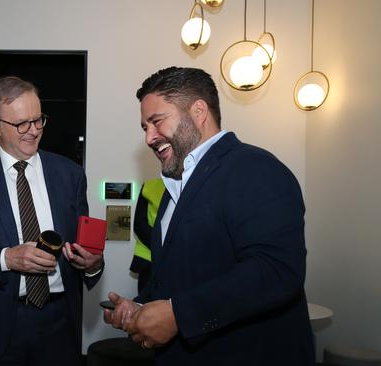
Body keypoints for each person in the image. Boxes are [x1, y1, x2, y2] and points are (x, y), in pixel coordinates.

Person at [103, 67, 314, 365]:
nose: (149, 137)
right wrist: (140, 306)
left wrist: (178, 315)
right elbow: (184, 273)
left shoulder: (257, 170)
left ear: (198, 111)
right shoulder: (173, 188)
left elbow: (276, 271)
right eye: (144, 127)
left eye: (156, 121)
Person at [0, 76, 104, 366]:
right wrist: (7, 258)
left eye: (38, 120)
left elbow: (83, 249)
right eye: (22, 124)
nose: (34, 131)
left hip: (59, 325)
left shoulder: (70, 175)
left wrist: (92, 265)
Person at [130, 178, 165, 293]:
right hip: (149, 261)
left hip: (151, 258)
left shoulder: (149, 186)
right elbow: (139, 225)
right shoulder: (149, 187)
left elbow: (139, 225)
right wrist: (165, 247)